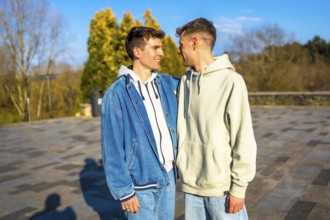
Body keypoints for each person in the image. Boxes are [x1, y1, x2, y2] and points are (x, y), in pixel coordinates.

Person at [175, 18, 257, 219]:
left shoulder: (231, 81)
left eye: (181, 44)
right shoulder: (185, 81)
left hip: (222, 189)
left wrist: (239, 188)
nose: (178, 50)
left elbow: (243, 137)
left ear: (195, 42)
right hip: (191, 187)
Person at [101, 26, 179, 220]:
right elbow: (111, 146)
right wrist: (123, 191)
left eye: (161, 47)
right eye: (155, 48)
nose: (161, 52)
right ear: (137, 52)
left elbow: (197, 80)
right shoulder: (117, 93)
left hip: (168, 176)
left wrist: (222, 67)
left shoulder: (167, 83)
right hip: (139, 183)